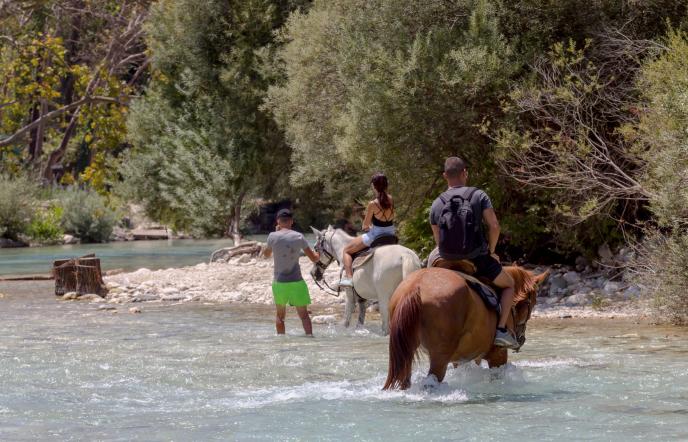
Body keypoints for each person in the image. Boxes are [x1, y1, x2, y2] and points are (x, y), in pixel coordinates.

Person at [428, 157, 518, 349]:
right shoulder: (479, 195)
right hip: (476, 258)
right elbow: (494, 226)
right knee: (509, 284)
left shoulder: (436, 203)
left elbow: (438, 241)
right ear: (465, 173)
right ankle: (501, 330)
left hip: (446, 258)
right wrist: (491, 252)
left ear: (445, 176)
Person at [262, 208, 320, 336]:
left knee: (280, 316)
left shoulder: (272, 236)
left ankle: (281, 342)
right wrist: (319, 253)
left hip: (279, 283)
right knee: (304, 316)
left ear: (278, 221)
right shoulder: (299, 236)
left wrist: (275, 236)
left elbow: (266, 254)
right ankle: (310, 338)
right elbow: (314, 258)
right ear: (291, 221)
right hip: (296, 282)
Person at [339, 172, 395, 287]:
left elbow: (365, 225)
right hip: (391, 233)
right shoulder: (391, 199)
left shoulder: (372, 204)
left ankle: (349, 279)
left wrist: (366, 226)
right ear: (386, 185)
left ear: (373, 186)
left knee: (346, 250)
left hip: (376, 235)